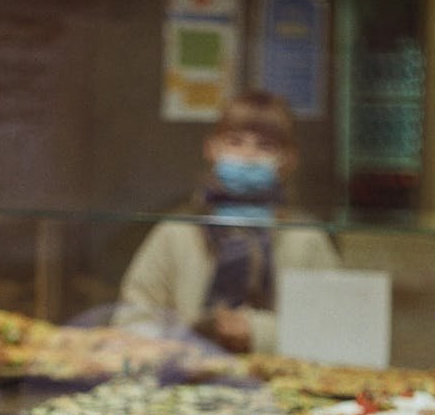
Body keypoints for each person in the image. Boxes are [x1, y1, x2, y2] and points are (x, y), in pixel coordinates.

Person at [111, 90, 340, 354]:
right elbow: (131, 319)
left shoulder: (306, 239)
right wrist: (185, 341)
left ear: (287, 160)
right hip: (183, 381)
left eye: (265, 146)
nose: (248, 155)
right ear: (212, 149)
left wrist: (257, 332)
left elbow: (332, 333)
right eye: (235, 142)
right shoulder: (177, 231)